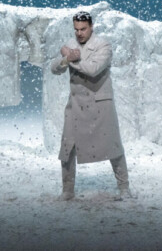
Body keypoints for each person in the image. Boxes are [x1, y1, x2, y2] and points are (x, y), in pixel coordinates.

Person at [53, 11, 130, 200]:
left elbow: (93, 70)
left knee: (113, 145)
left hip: (99, 102)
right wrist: (65, 59)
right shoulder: (71, 46)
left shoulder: (103, 45)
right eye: (76, 29)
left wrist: (71, 59)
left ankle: (124, 188)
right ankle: (67, 191)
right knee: (67, 146)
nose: (79, 33)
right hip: (76, 104)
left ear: (91, 27)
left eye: (83, 29)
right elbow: (54, 69)